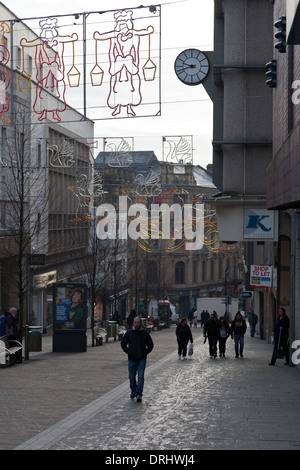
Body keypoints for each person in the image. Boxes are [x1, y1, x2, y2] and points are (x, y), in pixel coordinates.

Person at [121, 316, 154, 402]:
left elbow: (150, 345)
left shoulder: (145, 333)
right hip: (131, 358)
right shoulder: (129, 333)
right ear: (133, 323)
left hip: (141, 358)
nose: (136, 324)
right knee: (131, 377)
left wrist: (145, 352)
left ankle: (139, 394)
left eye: (138, 323)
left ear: (140, 323)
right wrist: (128, 351)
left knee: (140, 377)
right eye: (135, 323)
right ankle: (133, 390)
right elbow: (123, 343)